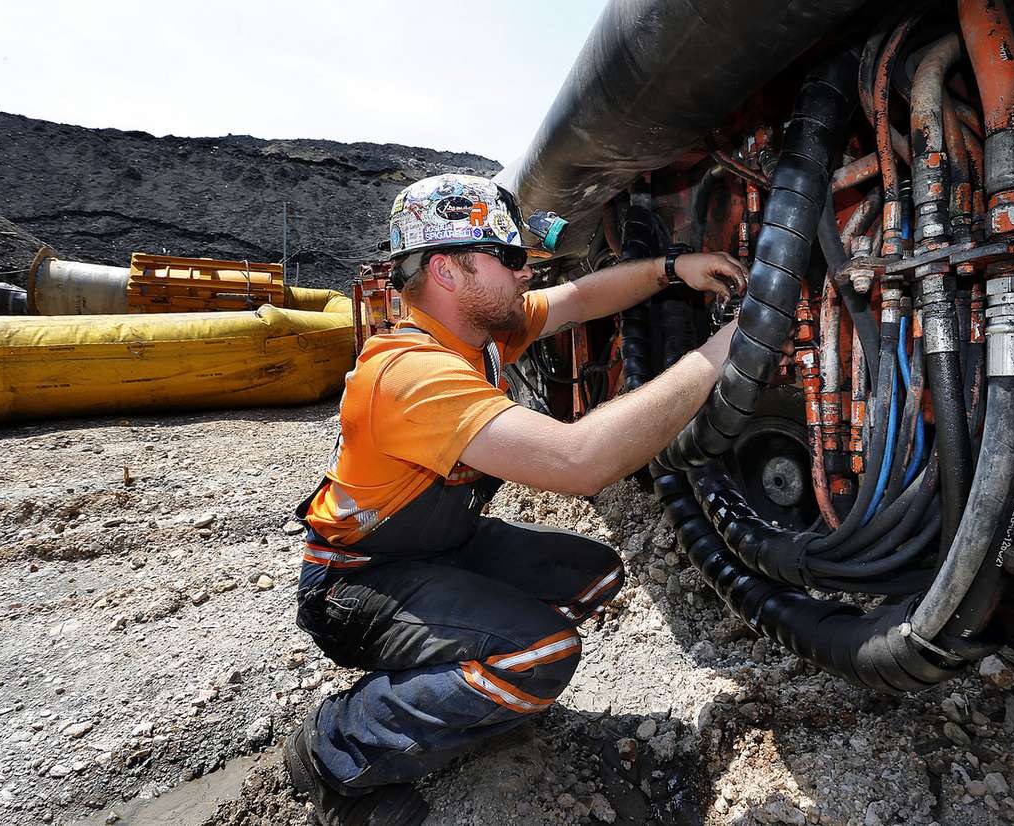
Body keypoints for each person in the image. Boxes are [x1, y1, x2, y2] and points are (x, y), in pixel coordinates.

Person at [284, 174, 746, 826]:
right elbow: (581, 461)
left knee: (593, 577)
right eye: (507, 258)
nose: (526, 269)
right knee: (543, 652)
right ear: (448, 270)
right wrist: (718, 356)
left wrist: (675, 268)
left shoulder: (480, 336)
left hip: (439, 550)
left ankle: (467, 683)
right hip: (357, 582)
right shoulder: (411, 373)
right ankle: (334, 747)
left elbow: (583, 297)